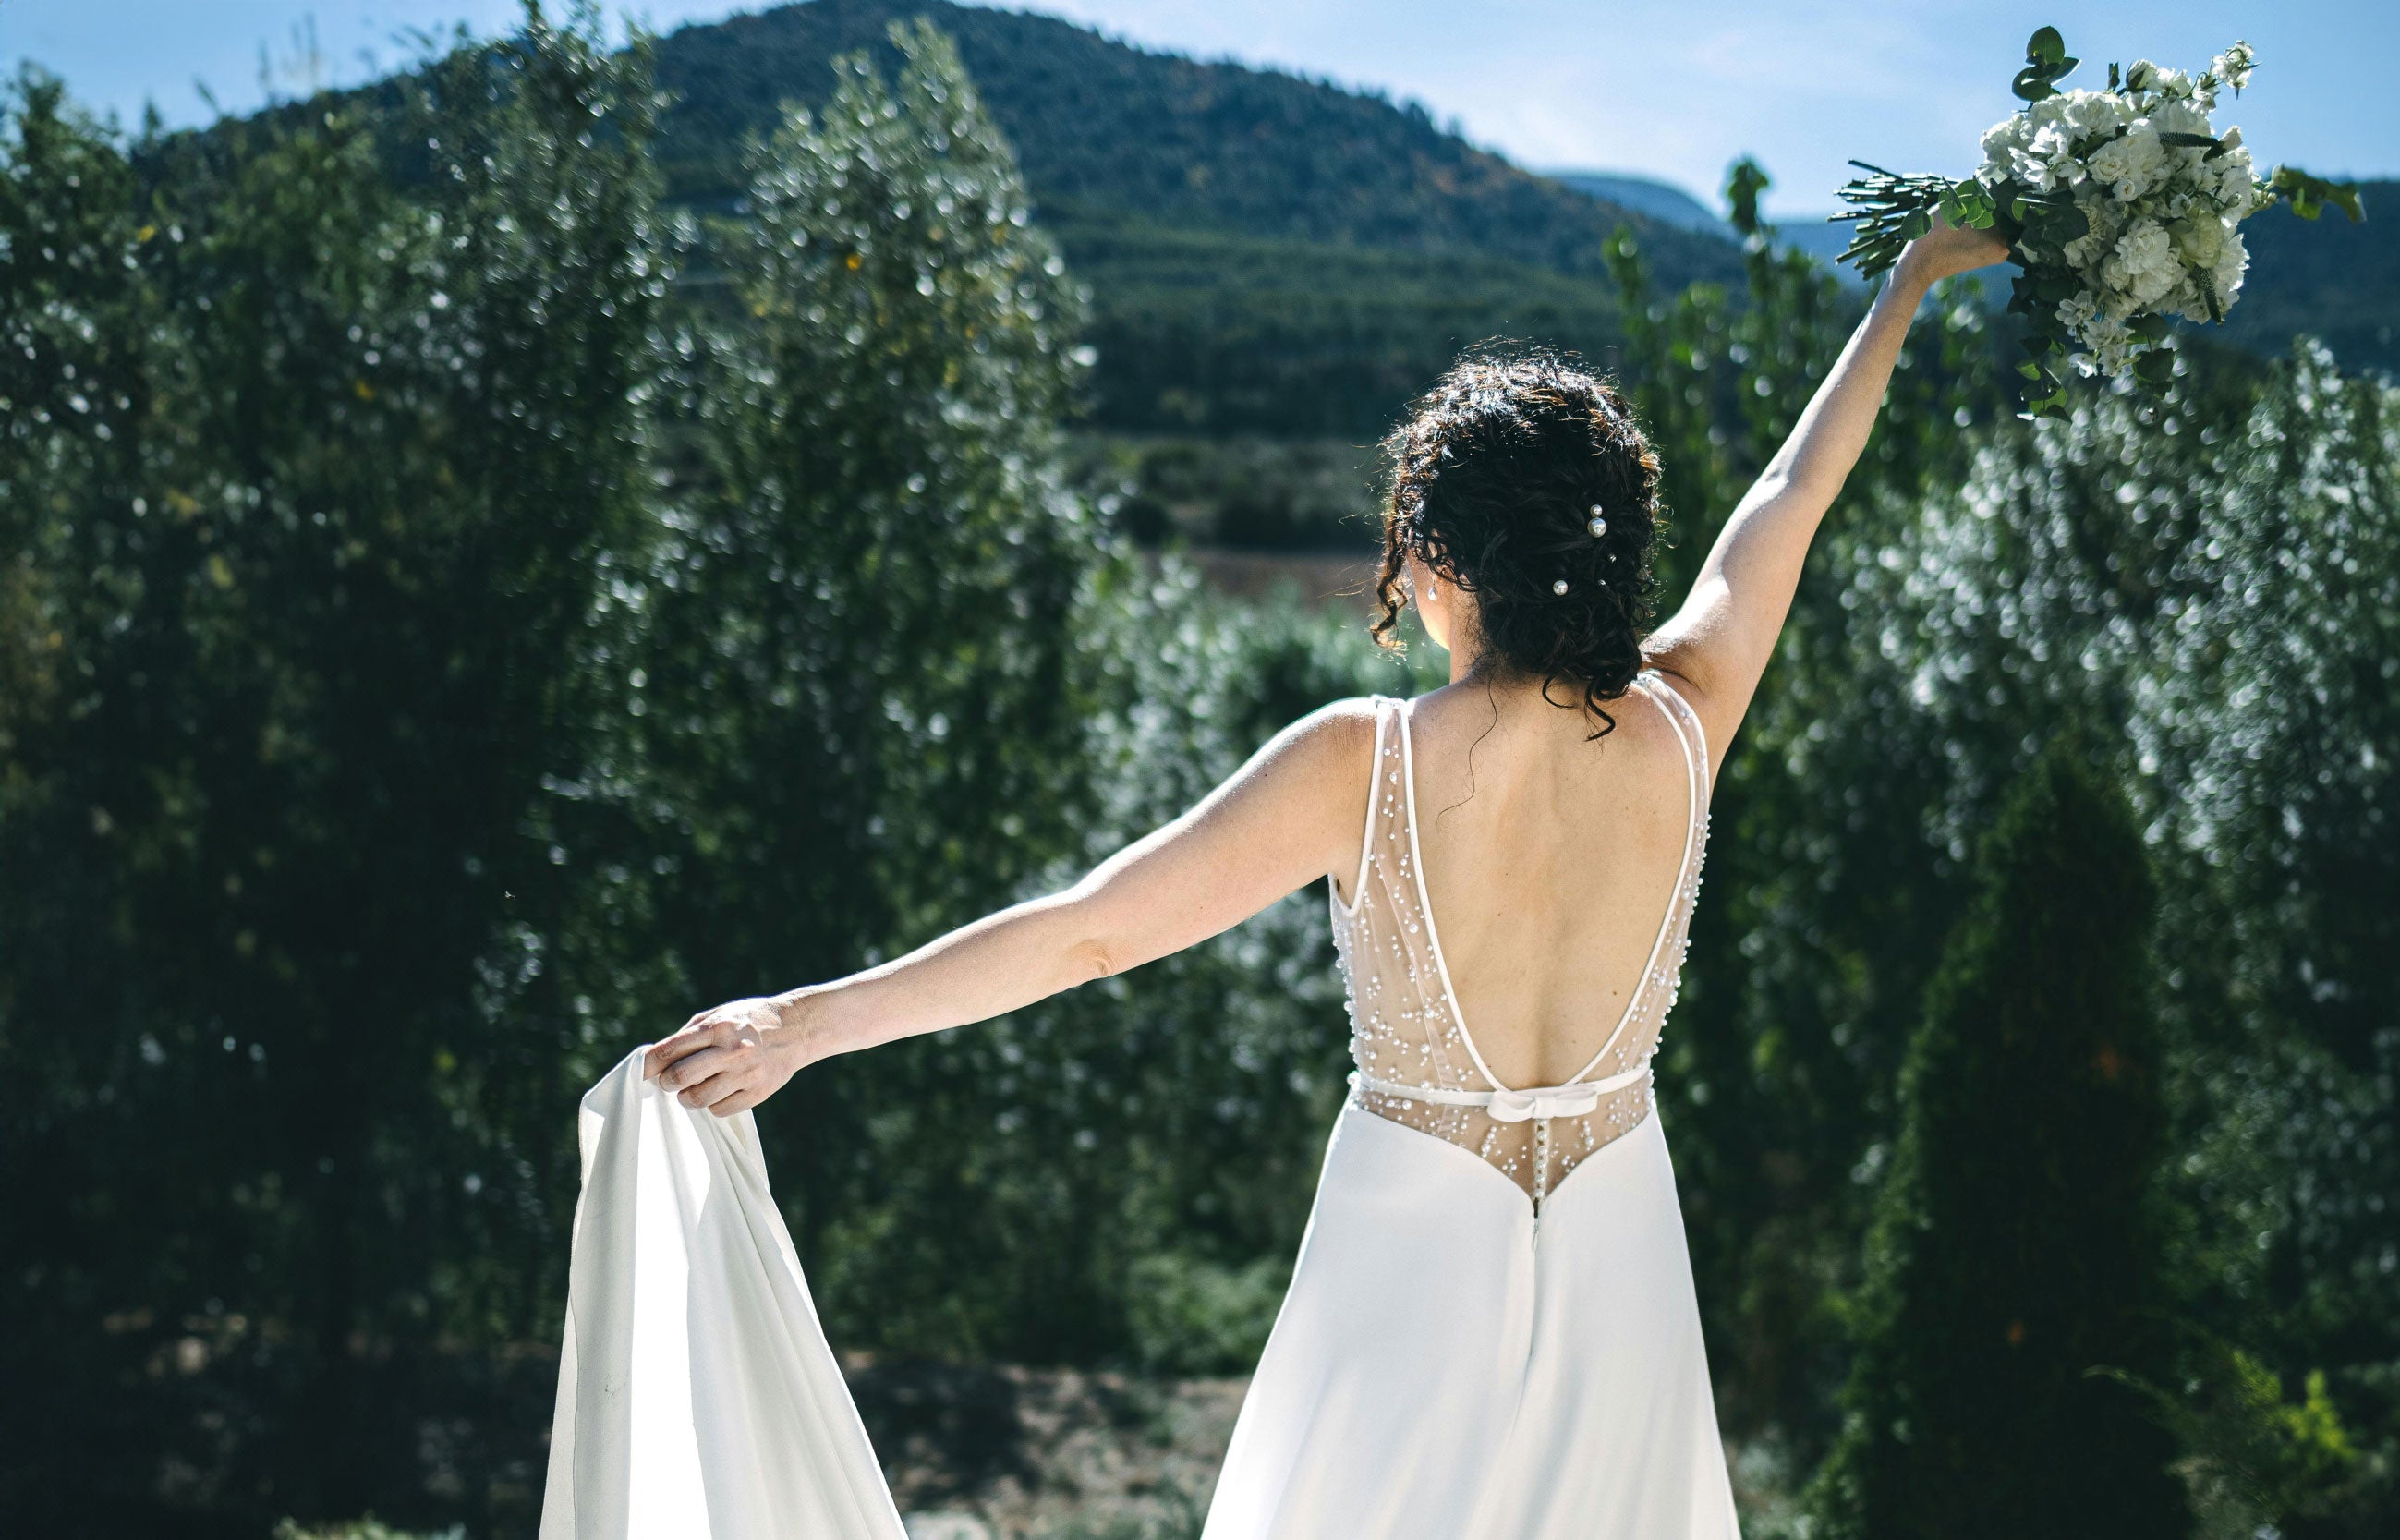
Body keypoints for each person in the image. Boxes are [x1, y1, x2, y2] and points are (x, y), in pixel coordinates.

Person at [642, 211, 2009, 1536]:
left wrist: (804, 1024)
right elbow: (1794, 491)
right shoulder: (1686, 713)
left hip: (1410, 1276)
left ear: (1432, 556)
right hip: (1623, 1261)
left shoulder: (1369, 763)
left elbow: (1088, 936)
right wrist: (1912, 282)